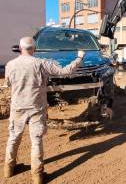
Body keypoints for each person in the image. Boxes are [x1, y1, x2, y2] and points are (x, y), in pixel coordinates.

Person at [3, 37, 85, 184]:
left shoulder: (10, 64)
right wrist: (80, 57)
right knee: (36, 141)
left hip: (17, 107)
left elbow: (8, 83)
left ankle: (8, 169)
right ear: (34, 49)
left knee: (13, 137)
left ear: (20, 48)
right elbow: (65, 71)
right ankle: (37, 176)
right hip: (36, 107)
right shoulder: (41, 63)